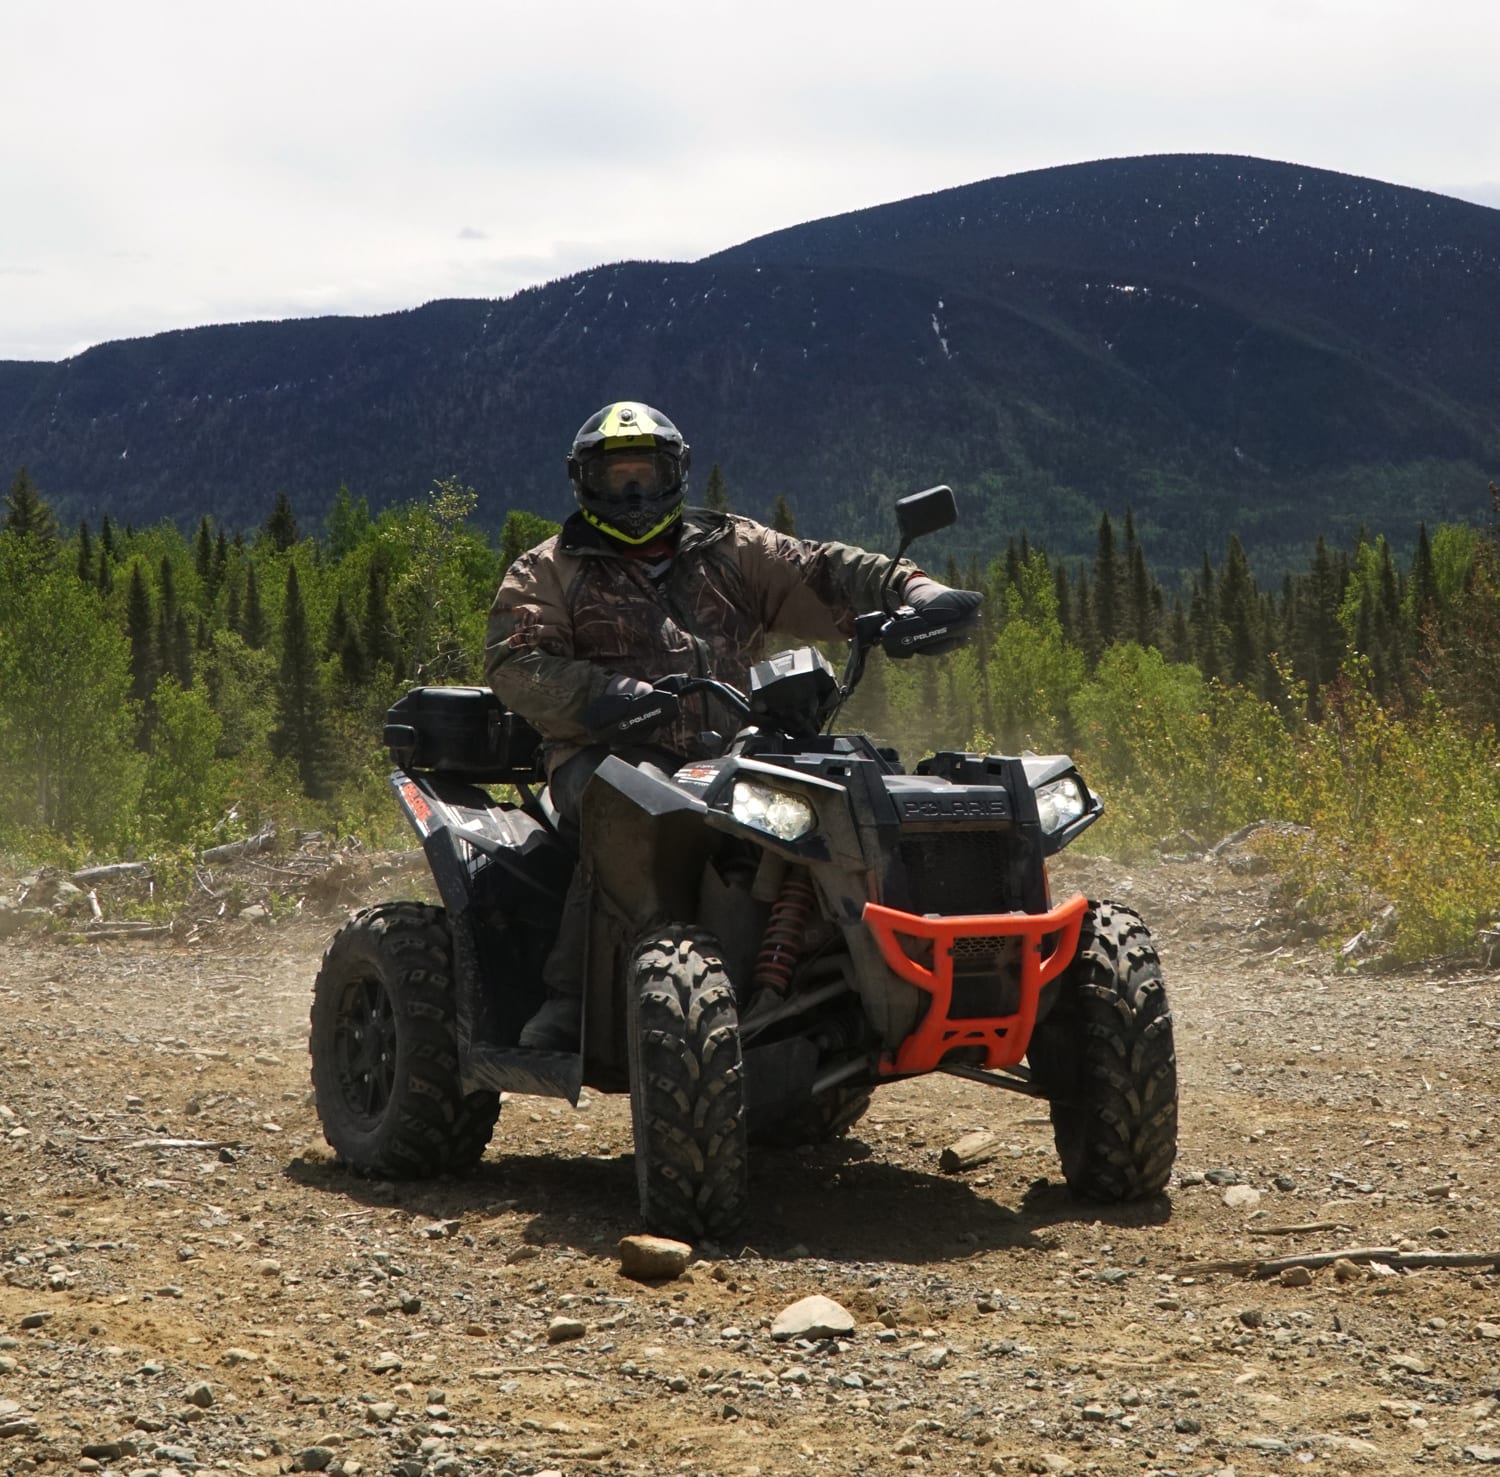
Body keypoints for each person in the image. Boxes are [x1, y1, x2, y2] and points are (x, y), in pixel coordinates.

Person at [484, 400, 981, 1050]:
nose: (634, 492)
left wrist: (912, 590)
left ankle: (867, 963)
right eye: (617, 478)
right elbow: (516, 661)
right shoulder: (550, 568)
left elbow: (819, 568)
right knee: (631, 806)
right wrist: (608, 696)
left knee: (851, 785)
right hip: (603, 751)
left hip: (732, 751)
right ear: (585, 483)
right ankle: (569, 999)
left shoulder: (727, 548)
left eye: (647, 473)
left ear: (677, 474)